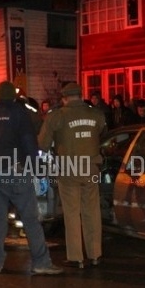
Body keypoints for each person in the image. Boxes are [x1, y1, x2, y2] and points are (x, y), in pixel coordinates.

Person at [0, 81, 63, 275]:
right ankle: (41, 262)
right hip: (15, 171)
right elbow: (29, 143)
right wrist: (38, 169)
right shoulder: (19, 113)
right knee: (30, 218)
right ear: (14, 96)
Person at [38, 82, 107, 268]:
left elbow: (43, 144)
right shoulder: (96, 113)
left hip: (68, 168)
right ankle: (95, 254)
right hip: (91, 167)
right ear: (80, 95)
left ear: (65, 98)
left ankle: (77, 258)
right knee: (92, 211)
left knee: (71, 213)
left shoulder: (57, 116)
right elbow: (101, 130)